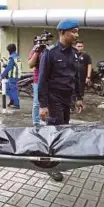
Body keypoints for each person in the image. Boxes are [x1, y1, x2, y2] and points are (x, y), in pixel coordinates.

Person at [38, 19, 84, 182]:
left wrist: (78, 98)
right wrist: (43, 105)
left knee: (63, 129)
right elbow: (42, 80)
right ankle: (49, 165)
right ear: (63, 32)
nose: (76, 35)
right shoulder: (50, 53)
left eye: (77, 31)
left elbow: (77, 77)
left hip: (67, 99)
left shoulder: (74, 54)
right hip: (53, 98)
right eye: (74, 31)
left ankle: (57, 159)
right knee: (54, 131)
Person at [28, 32, 54, 126]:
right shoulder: (36, 49)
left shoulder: (53, 50)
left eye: (50, 39)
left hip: (51, 80)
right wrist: (37, 52)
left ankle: (48, 121)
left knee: (51, 102)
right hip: (38, 79)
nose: (48, 41)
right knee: (37, 103)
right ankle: (36, 123)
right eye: (46, 39)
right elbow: (30, 64)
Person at [72, 40, 92, 112]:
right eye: (78, 46)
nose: (80, 48)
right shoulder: (72, 54)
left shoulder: (86, 56)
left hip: (82, 78)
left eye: (81, 46)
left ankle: (79, 106)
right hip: (72, 77)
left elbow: (89, 65)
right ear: (75, 46)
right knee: (72, 92)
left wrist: (88, 77)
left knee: (80, 92)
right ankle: (72, 106)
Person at [0, 43, 21, 109]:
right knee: (7, 88)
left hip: (13, 76)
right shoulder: (17, 56)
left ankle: (16, 104)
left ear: (9, 50)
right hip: (16, 75)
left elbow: (8, 67)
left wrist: (2, 75)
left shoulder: (12, 57)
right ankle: (12, 101)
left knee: (13, 90)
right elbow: (13, 65)